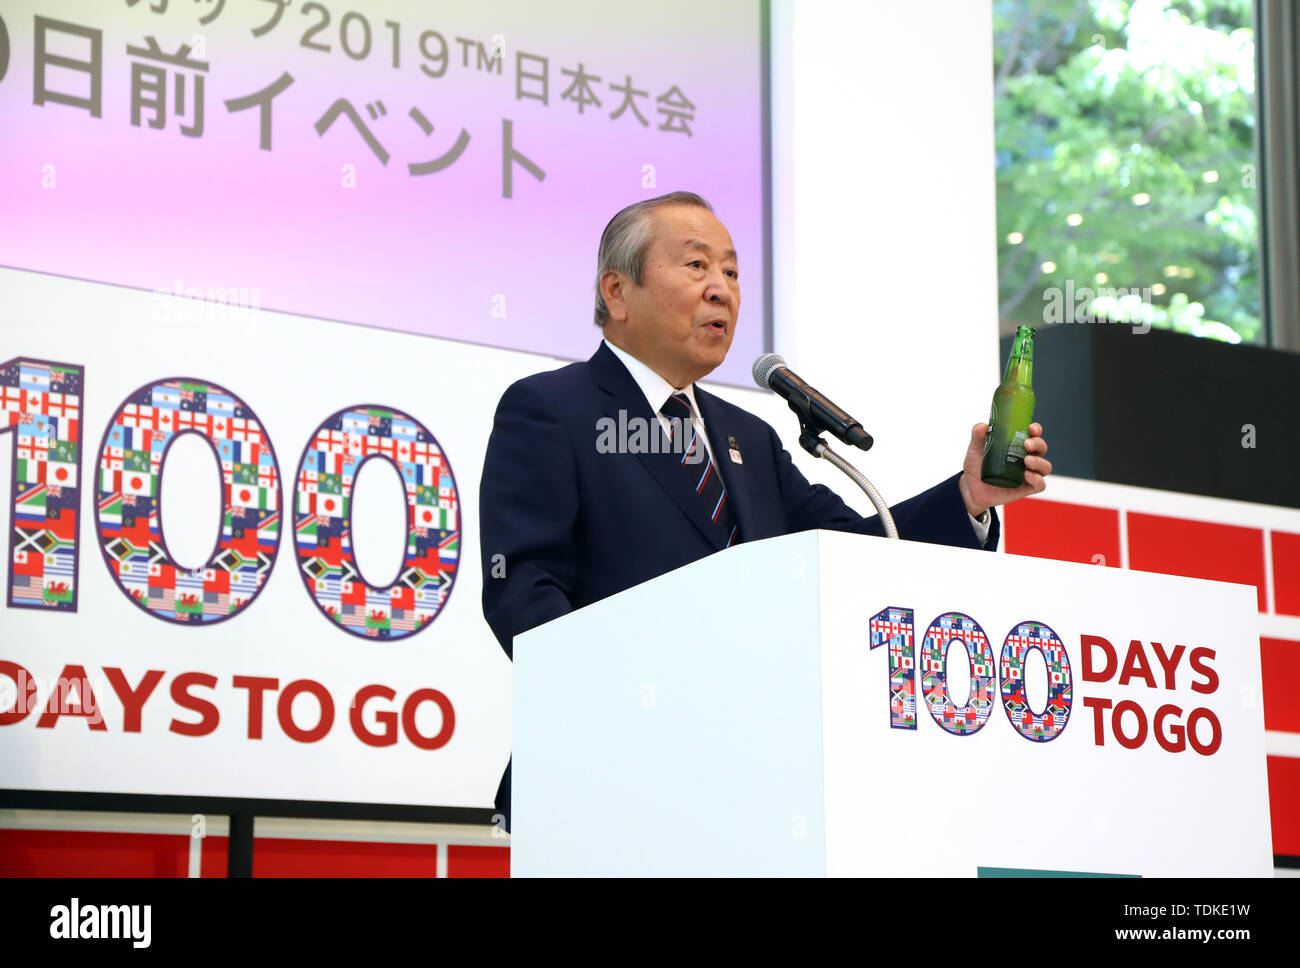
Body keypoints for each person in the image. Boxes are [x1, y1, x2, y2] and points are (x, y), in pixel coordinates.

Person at [479, 191, 1053, 833]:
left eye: (731, 270)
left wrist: (969, 497)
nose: (722, 289)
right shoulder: (552, 409)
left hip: (757, 782)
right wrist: (628, 702)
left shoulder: (747, 437)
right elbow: (522, 594)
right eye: (697, 266)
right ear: (617, 291)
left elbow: (859, 550)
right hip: (609, 778)